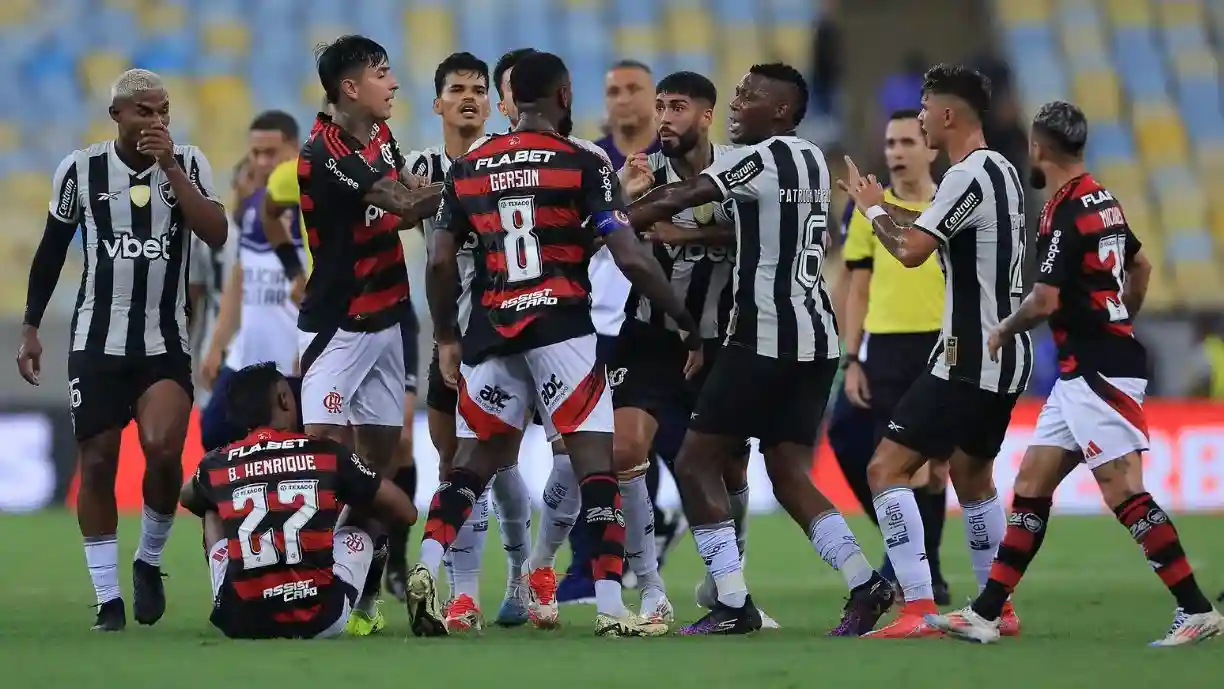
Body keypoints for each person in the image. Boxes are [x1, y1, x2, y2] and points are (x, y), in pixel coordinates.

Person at [411, 50, 700, 638]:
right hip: (562, 327)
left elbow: (440, 260)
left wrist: (446, 333)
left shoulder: (468, 167)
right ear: (565, 96)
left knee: (470, 467)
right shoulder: (583, 163)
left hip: (490, 329)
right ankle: (611, 607)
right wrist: (684, 318)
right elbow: (628, 254)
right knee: (597, 464)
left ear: (512, 99)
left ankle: (427, 567)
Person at [926, 101, 1224, 647]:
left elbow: (1044, 299)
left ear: (1040, 148)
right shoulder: (1101, 199)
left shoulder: (1064, 212)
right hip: (1084, 368)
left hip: (1096, 369)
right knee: (1032, 484)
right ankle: (988, 612)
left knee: (1122, 489)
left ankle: (1196, 608)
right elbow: (1141, 265)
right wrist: (1122, 316)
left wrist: (1004, 329)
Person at [626, 62, 894, 636]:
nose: (735, 104)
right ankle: (864, 581)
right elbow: (752, 225)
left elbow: (686, 191)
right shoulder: (811, 162)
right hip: (816, 338)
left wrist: (611, 220)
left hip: (764, 335)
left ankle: (730, 600)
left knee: (697, 460)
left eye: (747, 97)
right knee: (790, 472)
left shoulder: (767, 157)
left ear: (780, 111)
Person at [16, 68, 229, 631]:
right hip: (95, 341)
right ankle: (108, 599)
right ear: (117, 116)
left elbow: (216, 232)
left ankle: (149, 559)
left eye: (164, 111)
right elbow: (49, 252)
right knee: (98, 459)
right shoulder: (80, 170)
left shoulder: (188, 162)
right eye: (144, 112)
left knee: (163, 450)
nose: (157, 121)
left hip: (164, 341)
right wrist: (31, 327)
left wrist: (172, 169)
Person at [838, 63, 1031, 638]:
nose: (920, 119)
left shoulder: (965, 175)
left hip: (967, 355)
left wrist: (872, 210)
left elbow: (913, 251)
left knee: (885, 468)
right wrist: (885, 204)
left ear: (947, 115)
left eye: (924, 110)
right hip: (1007, 353)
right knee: (973, 476)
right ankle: (998, 609)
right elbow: (938, 224)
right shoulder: (1001, 172)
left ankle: (918, 606)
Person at [297, 35, 443, 635]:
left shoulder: (381, 136)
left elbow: (407, 188)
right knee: (324, 457)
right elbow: (403, 204)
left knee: (375, 470)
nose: (395, 84)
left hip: (389, 324)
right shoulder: (321, 151)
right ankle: (299, 581)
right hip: (338, 327)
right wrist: (483, 178)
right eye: (383, 74)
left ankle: (356, 598)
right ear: (350, 88)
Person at [404, 51, 533, 631]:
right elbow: (390, 209)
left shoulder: (509, 161)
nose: (470, 97)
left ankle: (513, 574)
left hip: (502, 334)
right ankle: (469, 593)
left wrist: (432, 198)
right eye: (456, 88)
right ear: (437, 103)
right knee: (455, 462)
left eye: (480, 88)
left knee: (492, 457)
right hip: (445, 335)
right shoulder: (419, 165)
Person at [616, 70, 745, 625]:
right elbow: (611, 230)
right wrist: (628, 200)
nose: (664, 118)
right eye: (661, 106)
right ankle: (649, 589)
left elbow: (763, 233)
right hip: (649, 333)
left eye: (678, 107)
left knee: (731, 468)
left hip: (720, 339)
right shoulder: (644, 175)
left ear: (706, 114)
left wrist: (688, 234)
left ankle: (731, 583)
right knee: (625, 452)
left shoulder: (740, 170)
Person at [179, 362, 417, 639]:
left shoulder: (216, 464)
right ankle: (365, 613)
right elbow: (406, 512)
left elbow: (187, 497)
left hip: (241, 622)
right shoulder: (327, 454)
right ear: (283, 399)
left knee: (211, 508)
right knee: (371, 503)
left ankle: (233, 595)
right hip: (321, 618)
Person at [839, 109, 951, 603]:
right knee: (849, 437)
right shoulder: (869, 209)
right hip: (883, 347)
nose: (896, 152)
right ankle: (908, 552)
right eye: (890, 143)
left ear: (930, 149)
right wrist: (852, 356)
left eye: (907, 141)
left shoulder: (952, 203)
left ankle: (920, 570)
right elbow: (857, 285)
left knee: (933, 465)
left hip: (937, 342)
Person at [198, 111, 302, 451]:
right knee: (213, 433)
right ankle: (230, 506)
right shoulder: (253, 206)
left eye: (270, 153)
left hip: (294, 357)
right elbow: (241, 279)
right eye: (255, 153)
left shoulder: (313, 203)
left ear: (294, 149)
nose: (261, 162)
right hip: (247, 357)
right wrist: (217, 343)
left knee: (295, 451)